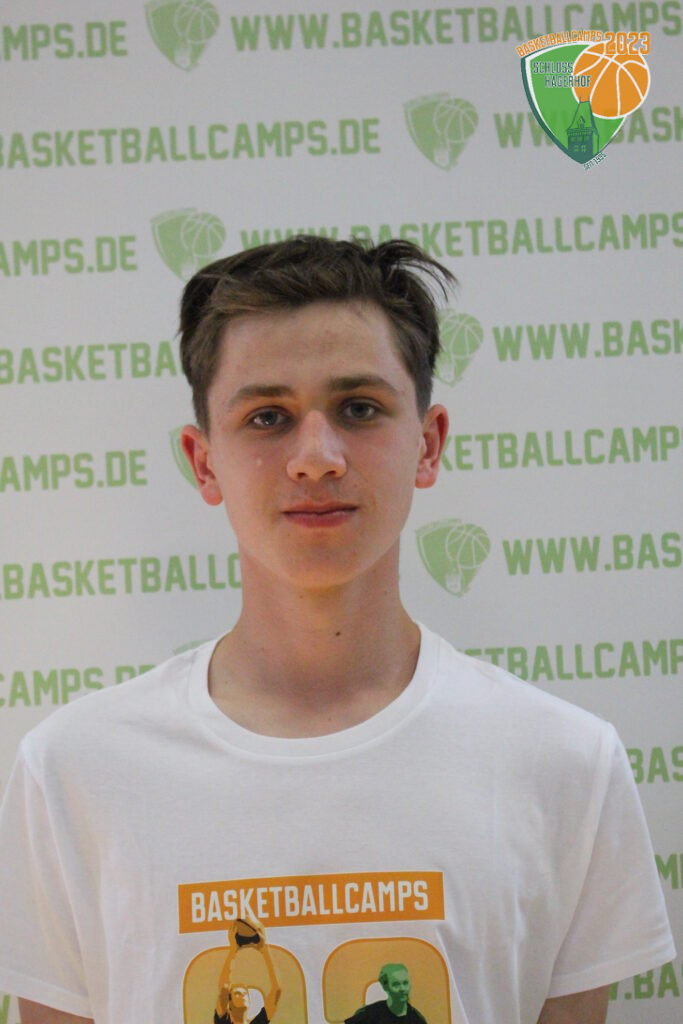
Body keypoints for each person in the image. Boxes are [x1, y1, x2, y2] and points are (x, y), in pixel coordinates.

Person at [0, 236, 675, 1024]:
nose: (315, 458)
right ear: (203, 461)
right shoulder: (75, 772)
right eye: (267, 417)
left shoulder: (565, 765)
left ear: (427, 443)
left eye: (358, 408)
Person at [214, 917, 280, 1024]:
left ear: (249, 1002)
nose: (243, 995)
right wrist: (233, 949)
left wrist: (264, 948)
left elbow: (277, 990)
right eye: (237, 993)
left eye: (245, 993)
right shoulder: (223, 1021)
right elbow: (224, 989)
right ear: (229, 1004)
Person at [345, 963, 427, 1024]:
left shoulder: (417, 1019)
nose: (402, 989)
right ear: (385, 987)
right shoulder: (371, 1013)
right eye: (396, 984)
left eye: (405, 983)